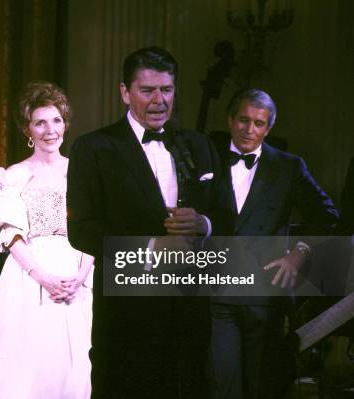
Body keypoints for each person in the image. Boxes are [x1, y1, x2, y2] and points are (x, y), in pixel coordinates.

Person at [67, 46, 221, 398]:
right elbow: (82, 230)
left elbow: (225, 214)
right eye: (147, 90)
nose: (159, 100)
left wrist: (204, 224)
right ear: (125, 92)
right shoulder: (94, 147)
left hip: (189, 308)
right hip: (127, 312)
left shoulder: (199, 145)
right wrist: (152, 247)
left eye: (166, 90)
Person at [209, 88, 339, 399]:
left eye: (258, 123)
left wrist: (299, 253)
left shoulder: (288, 166)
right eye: (243, 120)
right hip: (216, 291)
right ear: (230, 119)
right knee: (221, 384)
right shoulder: (207, 156)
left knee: (261, 385)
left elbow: (326, 214)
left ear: (269, 128)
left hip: (264, 293)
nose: (249, 130)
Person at [0, 82, 94, 399]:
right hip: (29, 277)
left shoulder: (81, 172)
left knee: (77, 369)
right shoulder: (13, 175)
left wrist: (80, 277)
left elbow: (95, 228)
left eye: (56, 120)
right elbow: (11, 234)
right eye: (40, 122)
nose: (50, 130)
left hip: (78, 274)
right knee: (31, 369)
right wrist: (42, 277)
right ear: (28, 129)